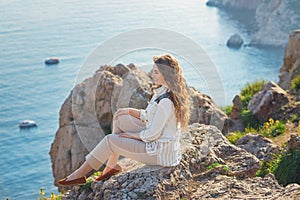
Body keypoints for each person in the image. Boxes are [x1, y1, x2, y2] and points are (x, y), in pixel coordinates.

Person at [58, 54, 190, 186]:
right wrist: (129, 111)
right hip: (157, 144)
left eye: (156, 72)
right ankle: (112, 166)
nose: (152, 74)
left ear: (166, 75)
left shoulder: (166, 101)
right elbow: (151, 117)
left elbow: (151, 135)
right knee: (120, 118)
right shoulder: (162, 93)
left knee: (110, 140)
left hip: (159, 154)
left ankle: (79, 175)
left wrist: (130, 136)